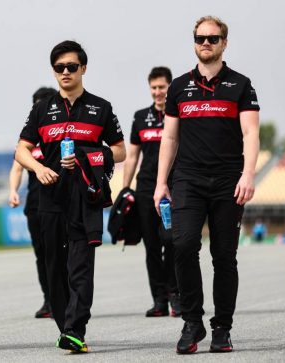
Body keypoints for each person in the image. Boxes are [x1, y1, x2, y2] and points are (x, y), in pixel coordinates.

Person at [153, 16, 260, 354]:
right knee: (183, 246)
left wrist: (248, 174)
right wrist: (160, 184)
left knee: (224, 256)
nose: (206, 43)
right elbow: (169, 137)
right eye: (201, 38)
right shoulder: (179, 86)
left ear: (224, 43)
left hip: (229, 181)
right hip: (187, 179)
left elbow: (251, 133)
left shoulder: (241, 85)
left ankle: (222, 327)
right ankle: (192, 321)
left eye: (214, 38)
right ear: (194, 41)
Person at [16, 40, 126, 353]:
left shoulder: (100, 107)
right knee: (54, 270)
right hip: (49, 199)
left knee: (80, 266)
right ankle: (66, 325)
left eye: (71, 67)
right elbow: (21, 150)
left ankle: (76, 328)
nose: (65, 72)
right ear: (53, 71)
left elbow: (120, 151)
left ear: (83, 69)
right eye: (59, 67)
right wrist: (38, 169)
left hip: (86, 198)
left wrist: (92, 156)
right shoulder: (42, 109)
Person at [123, 66, 180, 318]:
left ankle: (175, 295)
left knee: (173, 241)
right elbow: (132, 156)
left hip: (175, 187)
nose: (158, 92)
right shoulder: (139, 117)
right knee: (152, 246)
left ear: (170, 87)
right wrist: (126, 188)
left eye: (162, 87)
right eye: (154, 88)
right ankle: (158, 300)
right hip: (146, 188)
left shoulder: (178, 115)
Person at [8, 87, 57, 319]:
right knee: (42, 254)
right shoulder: (28, 139)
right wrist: (13, 191)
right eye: (36, 105)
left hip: (61, 204)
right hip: (35, 205)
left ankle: (67, 297)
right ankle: (49, 299)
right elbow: (17, 167)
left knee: (61, 253)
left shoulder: (60, 133)